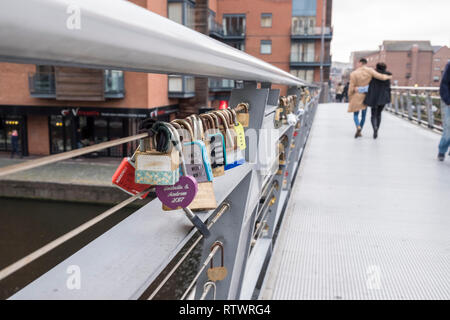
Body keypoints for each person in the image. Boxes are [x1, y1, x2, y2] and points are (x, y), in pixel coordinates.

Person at [348, 58, 392, 138]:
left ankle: (358, 127)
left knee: (356, 115)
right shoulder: (370, 71)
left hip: (360, 95)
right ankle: (367, 129)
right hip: (368, 96)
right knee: (366, 115)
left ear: (360, 63)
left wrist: (350, 95)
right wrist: (389, 77)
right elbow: (381, 77)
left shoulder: (354, 73)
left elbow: (351, 87)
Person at [364, 62, 392, 139]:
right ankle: (377, 129)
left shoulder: (373, 74)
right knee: (379, 114)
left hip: (374, 97)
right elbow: (388, 88)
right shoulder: (388, 75)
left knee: (373, 115)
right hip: (383, 97)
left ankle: (374, 128)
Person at [437, 61, 450, 161]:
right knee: (448, 129)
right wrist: (448, 100)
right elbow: (444, 84)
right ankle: (442, 150)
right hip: (448, 102)